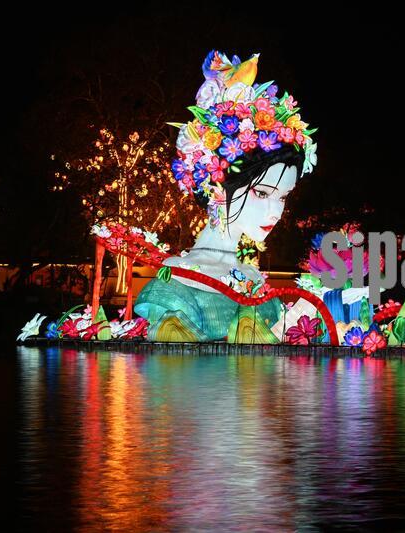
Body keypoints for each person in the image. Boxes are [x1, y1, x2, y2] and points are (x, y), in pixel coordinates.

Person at [134, 50, 317, 341]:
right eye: (261, 192)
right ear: (216, 186)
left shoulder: (255, 282)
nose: (275, 211)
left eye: (282, 197)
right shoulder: (174, 286)